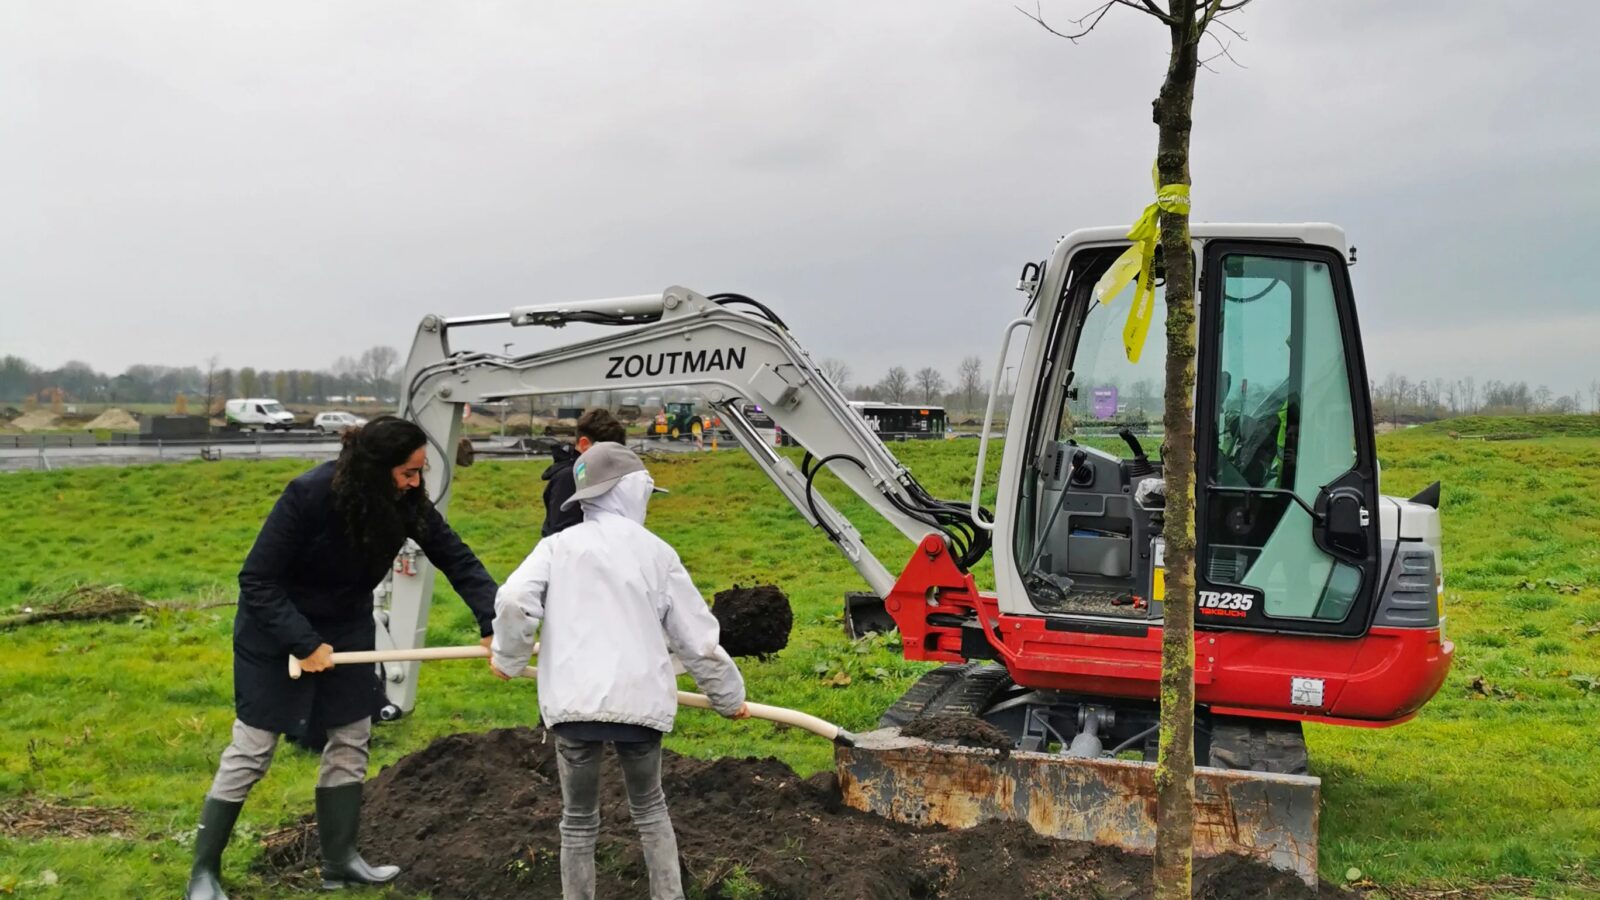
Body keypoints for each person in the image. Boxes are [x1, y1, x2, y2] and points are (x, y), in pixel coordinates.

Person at [185, 417, 500, 900]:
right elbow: (257, 580)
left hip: (348, 625)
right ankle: (203, 873)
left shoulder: (406, 504)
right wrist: (303, 644)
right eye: (408, 472)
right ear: (376, 469)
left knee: (352, 738)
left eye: (420, 473)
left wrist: (492, 621)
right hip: (276, 628)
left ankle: (341, 862)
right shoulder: (307, 495)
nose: (416, 483)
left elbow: (455, 556)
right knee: (253, 748)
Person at [490, 443, 748, 900]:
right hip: (640, 705)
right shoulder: (657, 554)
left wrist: (508, 660)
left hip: (573, 706)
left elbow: (513, 600)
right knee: (650, 810)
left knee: (578, 821)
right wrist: (729, 698)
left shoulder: (556, 547)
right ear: (630, 491)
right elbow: (697, 639)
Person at [541, 407, 628, 537]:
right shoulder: (570, 478)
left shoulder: (599, 472)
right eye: (607, 452)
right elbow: (562, 534)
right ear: (584, 445)